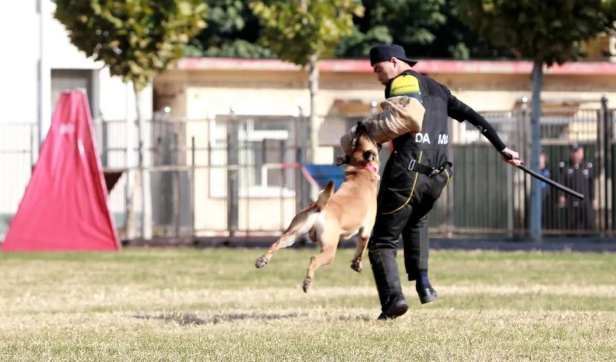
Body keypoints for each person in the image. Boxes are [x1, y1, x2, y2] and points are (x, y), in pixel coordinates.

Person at [362, 44, 522, 320]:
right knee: (416, 220)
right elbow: (473, 116)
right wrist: (502, 148)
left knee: (382, 240)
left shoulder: (402, 81)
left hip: (408, 172)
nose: (378, 77)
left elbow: (404, 116)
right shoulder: (439, 89)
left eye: (379, 69)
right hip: (437, 176)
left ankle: (393, 300)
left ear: (393, 61)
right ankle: (423, 283)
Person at [557, 144, 595, 231]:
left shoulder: (588, 166)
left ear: (582, 153)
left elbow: (591, 184)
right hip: (571, 201)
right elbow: (561, 183)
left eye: (578, 152)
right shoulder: (565, 167)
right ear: (570, 153)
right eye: (573, 152)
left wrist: (593, 199)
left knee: (588, 225)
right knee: (571, 226)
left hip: (586, 201)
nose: (576, 155)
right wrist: (562, 195)